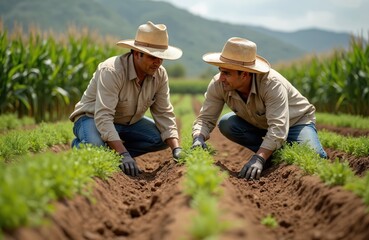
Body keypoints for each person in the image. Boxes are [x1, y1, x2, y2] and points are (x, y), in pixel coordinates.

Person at [191, 37, 327, 180]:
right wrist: (198, 138)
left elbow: (278, 127)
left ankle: (268, 155)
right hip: (260, 123)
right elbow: (206, 119)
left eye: (227, 73)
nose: (221, 78)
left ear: (244, 74)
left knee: (314, 155)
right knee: (227, 123)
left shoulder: (271, 84)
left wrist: (258, 159)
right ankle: (273, 157)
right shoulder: (218, 84)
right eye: (221, 71)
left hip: (295, 122)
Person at [69, 21, 183, 177]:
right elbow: (103, 117)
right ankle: (83, 147)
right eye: (153, 57)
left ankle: (110, 153)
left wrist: (177, 149)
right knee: (95, 148)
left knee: (161, 138)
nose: (158, 62)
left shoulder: (160, 74)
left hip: (127, 123)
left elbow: (164, 113)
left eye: (161, 58)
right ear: (137, 54)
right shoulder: (112, 70)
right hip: (92, 118)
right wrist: (124, 154)